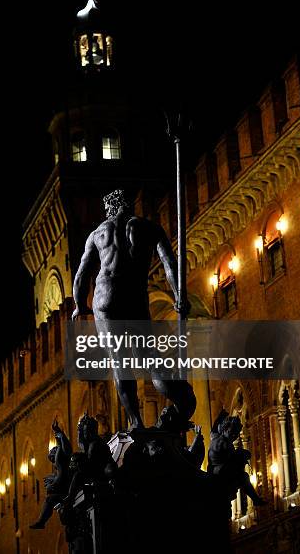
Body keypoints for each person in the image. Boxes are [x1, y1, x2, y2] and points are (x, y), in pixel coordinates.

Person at [72, 188, 196, 430]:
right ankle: (180, 398)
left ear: (110, 208)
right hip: (135, 298)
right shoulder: (148, 228)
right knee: (149, 359)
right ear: (128, 206)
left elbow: (81, 276)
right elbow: (170, 264)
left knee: (120, 363)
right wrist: (180, 295)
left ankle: (136, 423)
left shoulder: (97, 234)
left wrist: (80, 306)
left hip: (105, 299)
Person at [29, 420, 72, 530]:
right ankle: (41, 521)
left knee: (49, 499)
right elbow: (62, 445)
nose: (51, 451)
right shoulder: (60, 457)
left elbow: (66, 446)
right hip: (64, 487)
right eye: (52, 454)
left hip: (66, 487)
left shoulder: (62, 456)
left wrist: (59, 432)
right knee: (49, 498)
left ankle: (41, 521)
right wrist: (58, 433)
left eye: (51, 452)